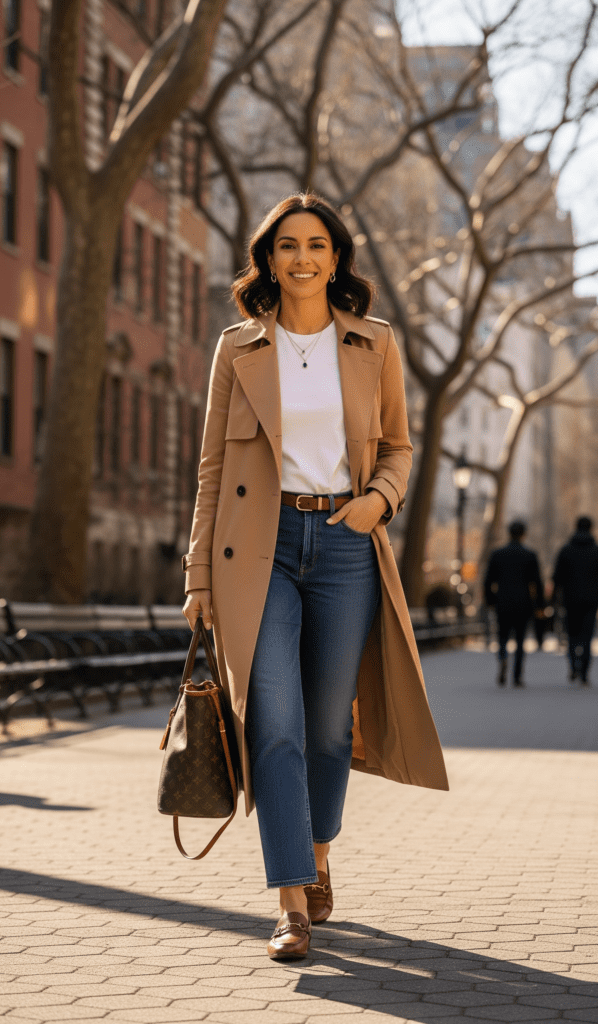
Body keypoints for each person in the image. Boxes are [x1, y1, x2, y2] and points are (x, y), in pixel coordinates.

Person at [182, 192, 448, 961]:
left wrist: (377, 502)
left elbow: (398, 446)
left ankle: (320, 848)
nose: (301, 258)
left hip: (342, 543)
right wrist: (197, 575)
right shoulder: (238, 348)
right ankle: (290, 900)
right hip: (252, 551)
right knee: (274, 722)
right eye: (287, 245)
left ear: (336, 260)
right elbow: (209, 471)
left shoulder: (373, 343)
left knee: (330, 728)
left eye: (317, 245)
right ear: (267, 259)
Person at [552, 516, 598, 685]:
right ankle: (584, 672)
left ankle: (573, 667)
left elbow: (557, 577)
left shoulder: (566, 550)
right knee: (587, 636)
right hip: (591, 601)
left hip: (570, 600)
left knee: (572, 635)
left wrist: (554, 598)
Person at [484, 520, 544, 687]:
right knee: (520, 639)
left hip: (502, 601)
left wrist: (490, 601)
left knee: (502, 635)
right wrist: (540, 605)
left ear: (509, 533)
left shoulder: (497, 554)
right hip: (523, 603)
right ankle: (517, 675)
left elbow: (488, 581)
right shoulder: (530, 555)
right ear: (524, 534)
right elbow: (537, 583)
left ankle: (503, 658)